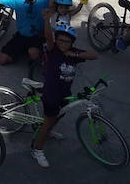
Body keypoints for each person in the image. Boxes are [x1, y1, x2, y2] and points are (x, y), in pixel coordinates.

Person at [30, 18, 97, 168]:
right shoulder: (53, 51)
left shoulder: (73, 52)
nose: (62, 43)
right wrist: (46, 19)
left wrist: (75, 55)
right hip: (51, 94)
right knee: (48, 121)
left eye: (66, 41)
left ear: (72, 43)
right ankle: (37, 150)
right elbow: (48, 36)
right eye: (60, 40)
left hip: (65, 93)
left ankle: (48, 132)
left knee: (59, 115)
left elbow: (94, 55)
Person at [0, 0, 52, 65]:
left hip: (37, 36)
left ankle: (39, 54)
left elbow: (68, 0)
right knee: (2, 60)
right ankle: (23, 51)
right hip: (22, 35)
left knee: (34, 54)